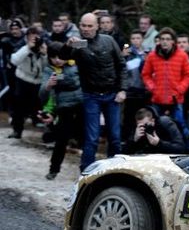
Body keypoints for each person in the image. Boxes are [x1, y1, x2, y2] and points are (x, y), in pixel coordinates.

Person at [59, 12, 127, 172]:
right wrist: (68, 45)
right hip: (91, 95)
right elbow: (61, 57)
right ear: (79, 26)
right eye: (83, 25)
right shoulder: (79, 44)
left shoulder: (108, 41)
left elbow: (121, 65)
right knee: (92, 138)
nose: (86, 29)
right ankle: (86, 171)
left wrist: (122, 89)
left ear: (97, 26)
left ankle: (115, 170)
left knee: (115, 137)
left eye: (90, 26)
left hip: (112, 94)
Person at [39, 42, 83, 179]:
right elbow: (42, 94)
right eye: (53, 57)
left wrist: (62, 79)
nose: (57, 60)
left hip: (82, 104)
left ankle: (86, 171)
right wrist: (48, 85)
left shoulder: (74, 63)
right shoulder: (49, 70)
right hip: (64, 107)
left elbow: (77, 81)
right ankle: (54, 169)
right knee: (61, 140)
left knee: (86, 139)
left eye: (59, 56)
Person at [141, 27, 189, 145]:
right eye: (162, 39)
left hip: (176, 99)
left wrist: (179, 89)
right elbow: (145, 74)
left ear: (173, 41)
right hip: (157, 99)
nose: (165, 41)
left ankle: (188, 150)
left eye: (168, 39)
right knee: (156, 127)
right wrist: (152, 88)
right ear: (159, 40)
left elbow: (188, 75)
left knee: (180, 126)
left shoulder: (182, 55)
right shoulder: (152, 56)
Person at [8, 26, 47, 139]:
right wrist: (27, 48)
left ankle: (40, 127)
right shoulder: (22, 46)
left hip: (38, 81)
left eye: (36, 37)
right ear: (27, 38)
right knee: (19, 107)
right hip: (23, 79)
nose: (34, 40)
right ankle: (17, 130)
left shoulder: (44, 46)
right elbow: (14, 60)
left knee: (38, 105)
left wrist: (44, 54)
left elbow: (48, 66)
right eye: (32, 37)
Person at [122, 29, 148, 141]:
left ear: (142, 39)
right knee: (129, 118)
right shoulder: (127, 53)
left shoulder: (148, 53)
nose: (135, 41)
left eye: (138, 38)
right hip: (131, 91)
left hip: (144, 91)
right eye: (133, 38)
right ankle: (128, 140)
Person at [0, 20, 26, 121]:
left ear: (20, 29)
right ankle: (13, 114)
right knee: (12, 93)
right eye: (12, 29)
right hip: (11, 70)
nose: (14, 31)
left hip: (24, 69)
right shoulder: (6, 40)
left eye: (16, 29)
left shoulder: (25, 39)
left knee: (23, 93)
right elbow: (5, 55)